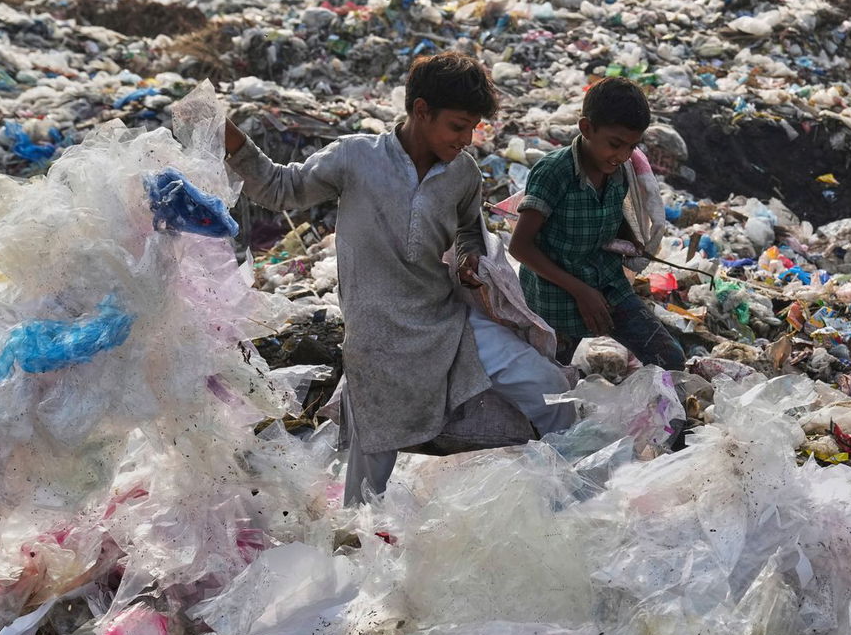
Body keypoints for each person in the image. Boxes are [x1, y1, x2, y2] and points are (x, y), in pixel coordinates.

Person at [224, 51, 574, 505]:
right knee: (368, 491)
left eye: (473, 129)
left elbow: (470, 230)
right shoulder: (355, 158)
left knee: (549, 391)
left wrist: (469, 258)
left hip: (446, 323)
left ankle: (571, 499)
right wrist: (229, 137)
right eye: (457, 126)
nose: (466, 139)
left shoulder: (463, 173)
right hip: (377, 339)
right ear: (421, 110)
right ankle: (356, 555)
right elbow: (280, 188)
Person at [509, 77, 685, 371]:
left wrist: (630, 241)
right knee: (550, 385)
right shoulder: (555, 172)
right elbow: (520, 246)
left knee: (670, 358)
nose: (623, 155)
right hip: (557, 299)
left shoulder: (619, 171)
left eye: (631, 146)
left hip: (606, 284)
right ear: (586, 128)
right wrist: (580, 291)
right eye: (615, 144)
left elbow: (608, 219)